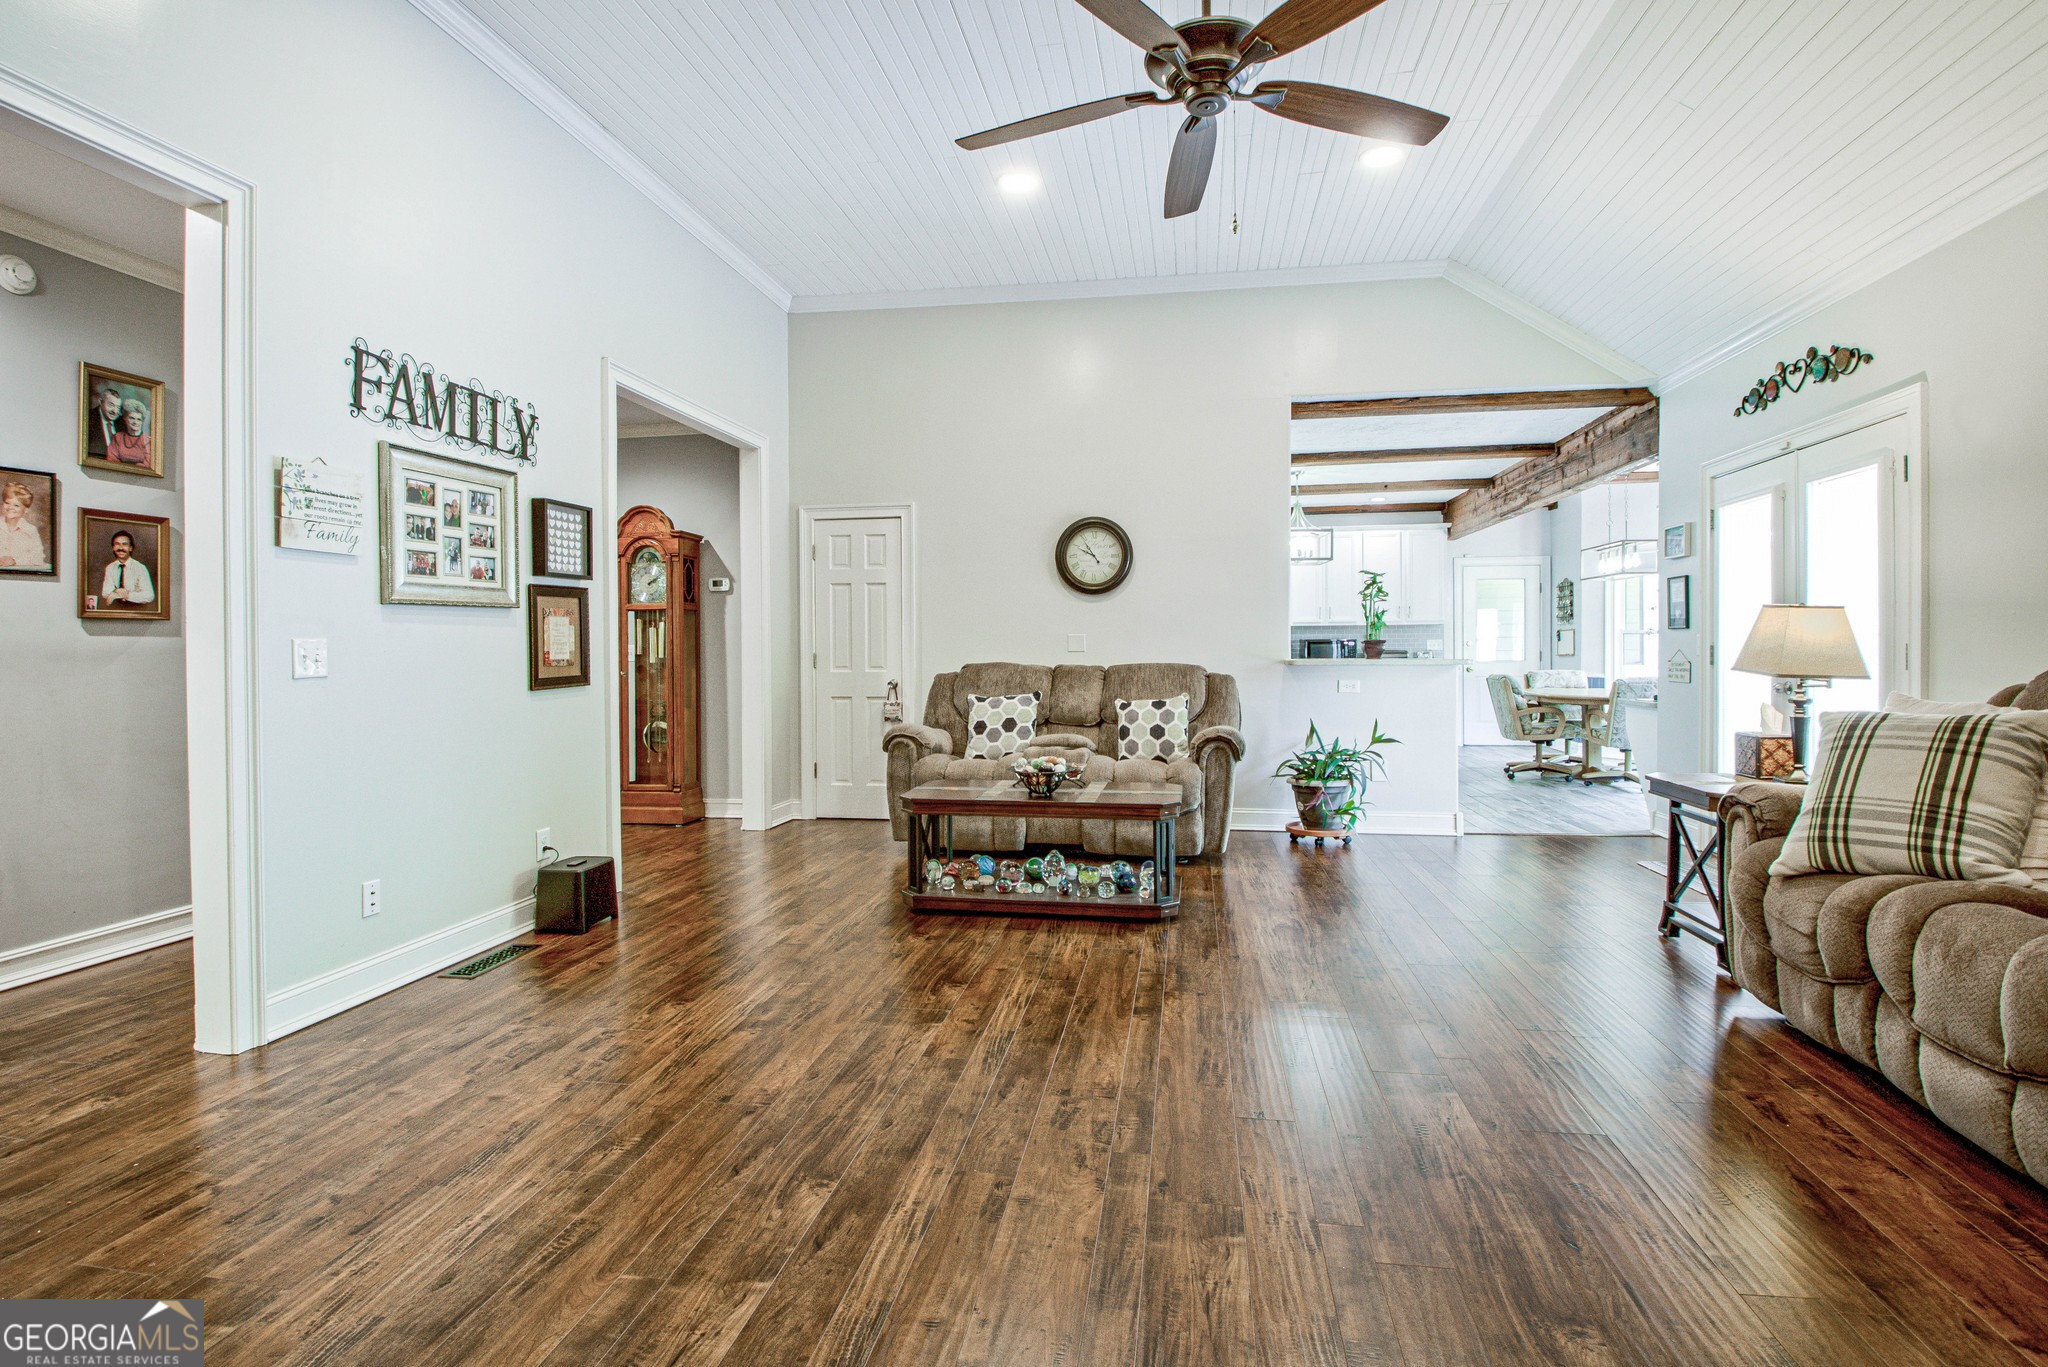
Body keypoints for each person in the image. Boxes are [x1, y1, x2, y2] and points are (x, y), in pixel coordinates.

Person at [99, 529, 155, 607]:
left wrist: (126, 595)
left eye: (124, 544)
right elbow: (105, 592)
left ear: (130, 548)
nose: (121, 548)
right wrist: (117, 590)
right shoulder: (110, 567)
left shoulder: (140, 568)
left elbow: (149, 595)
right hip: (115, 610)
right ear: (113, 548)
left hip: (136, 611)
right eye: (117, 544)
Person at [0, 480, 47, 569]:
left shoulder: (30, 530)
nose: (10, 507)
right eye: (7, 503)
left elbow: (38, 558)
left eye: (16, 505)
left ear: (25, 510)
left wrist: (14, 560)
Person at [106, 400, 152, 468]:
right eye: (132, 418)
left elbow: (148, 464)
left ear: (142, 421)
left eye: (139, 419)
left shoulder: (148, 441)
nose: (135, 422)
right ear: (125, 418)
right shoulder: (118, 437)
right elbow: (111, 458)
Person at [85, 384, 123, 458]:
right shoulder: (88, 419)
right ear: (100, 402)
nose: (115, 411)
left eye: (118, 407)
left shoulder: (122, 423)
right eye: (111, 405)